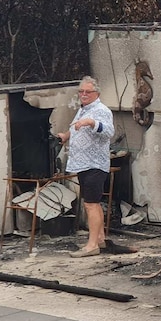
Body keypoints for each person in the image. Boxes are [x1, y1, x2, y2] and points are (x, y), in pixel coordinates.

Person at [56, 76, 114, 257]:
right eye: (81, 91)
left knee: (91, 204)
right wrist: (66, 135)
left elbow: (109, 132)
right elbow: (77, 128)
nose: (83, 94)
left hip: (94, 164)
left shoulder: (100, 110)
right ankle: (100, 239)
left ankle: (91, 246)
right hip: (83, 163)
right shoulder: (83, 110)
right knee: (93, 204)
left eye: (87, 92)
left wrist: (91, 123)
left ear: (97, 93)